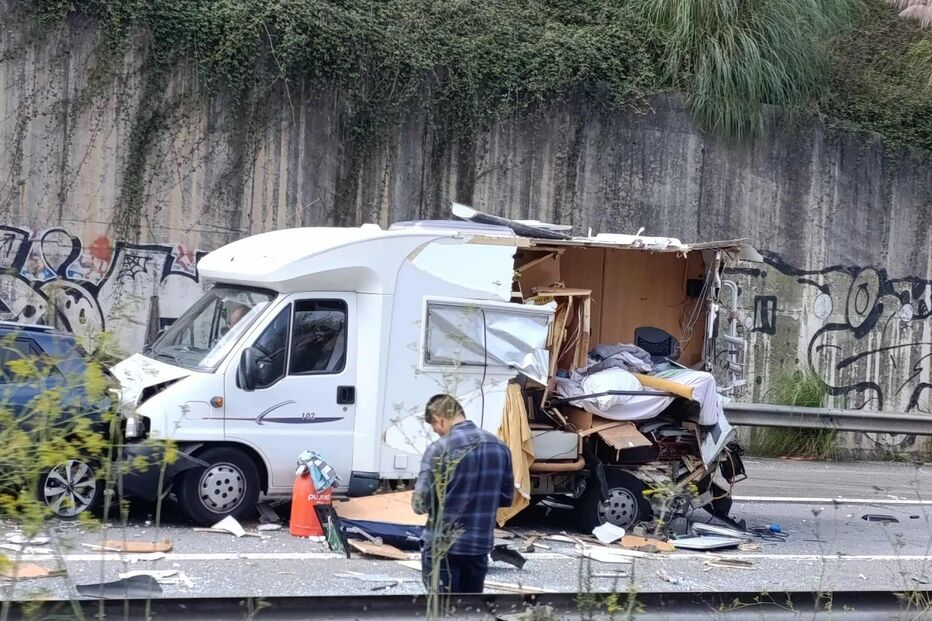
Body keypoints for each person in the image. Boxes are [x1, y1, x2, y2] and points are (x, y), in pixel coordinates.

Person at [412, 394, 514, 594]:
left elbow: (420, 504)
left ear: (439, 419)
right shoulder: (500, 447)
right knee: (470, 611)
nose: (437, 434)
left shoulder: (439, 449)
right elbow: (506, 497)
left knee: (442, 612)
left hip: (442, 546)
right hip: (479, 546)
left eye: (436, 428)